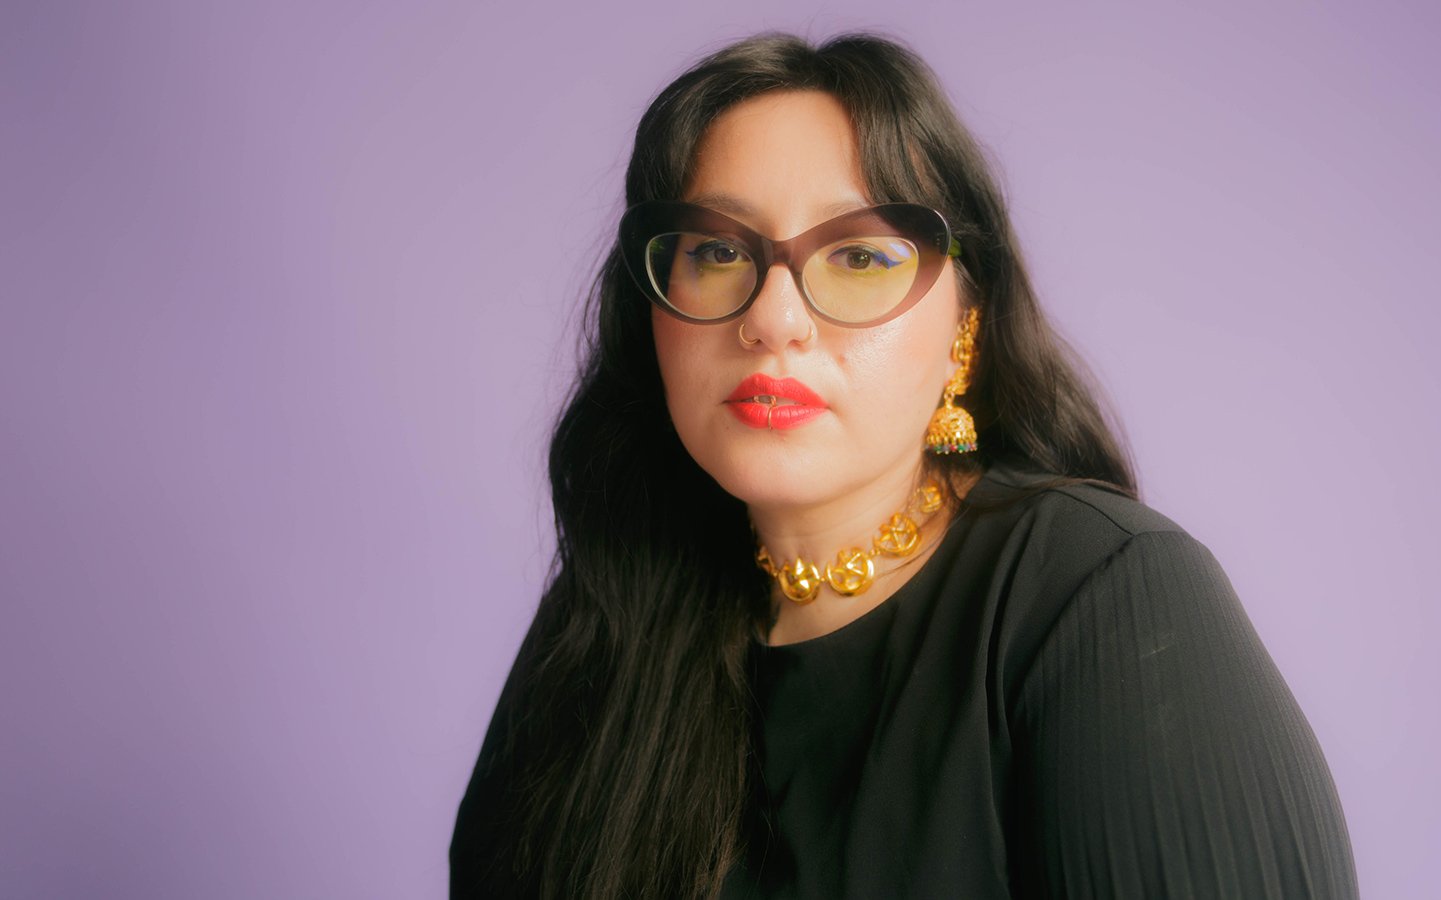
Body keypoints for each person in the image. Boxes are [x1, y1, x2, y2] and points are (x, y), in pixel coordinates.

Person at [449, 30, 1358, 900]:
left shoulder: (1106, 599)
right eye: (718, 251)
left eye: (859, 256)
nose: (772, 320)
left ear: (966, 323)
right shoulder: (609, 610)